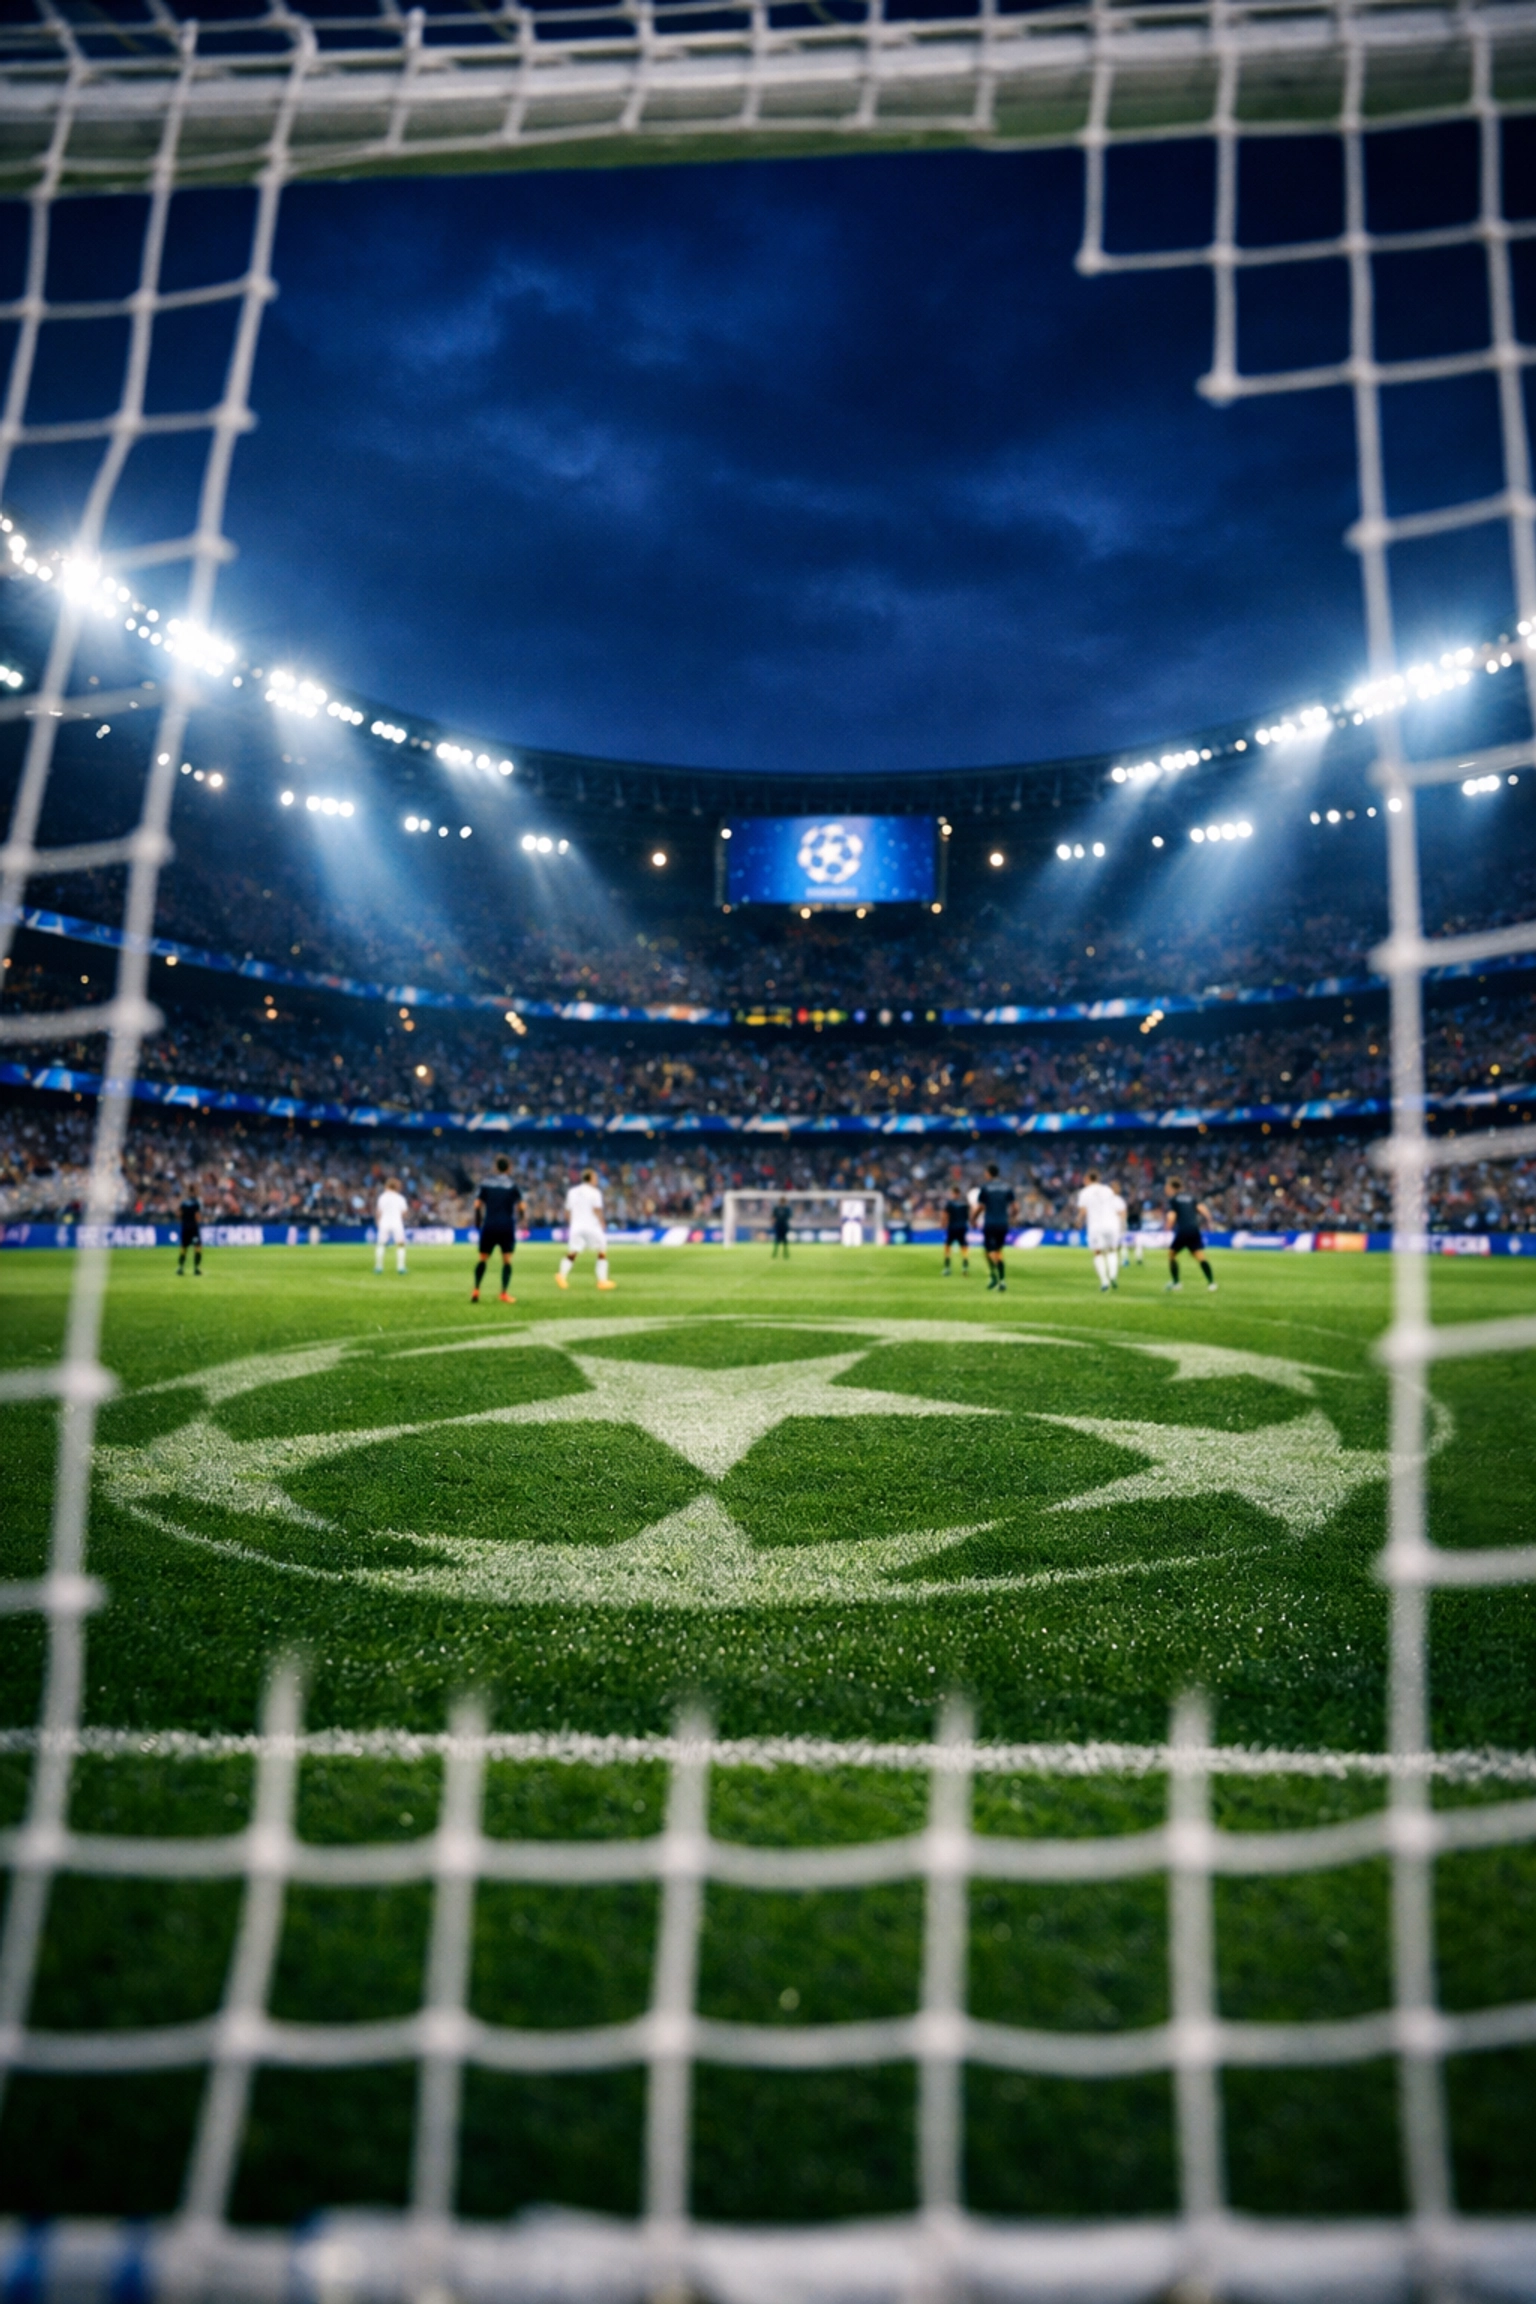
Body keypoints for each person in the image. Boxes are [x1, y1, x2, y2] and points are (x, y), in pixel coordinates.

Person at [472, 1153, 522, 1303]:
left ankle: (476, 1290)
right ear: (509, 1168)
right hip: (506, 1225)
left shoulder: (486, 1183)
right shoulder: (512, 1185)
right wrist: (521, 1219)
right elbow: (522, 1206)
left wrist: (478, 1221)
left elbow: (477, 1205)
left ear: (495, 1168)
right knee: (506, 1260)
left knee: (482, 1259)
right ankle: (504, 1293)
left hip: (490, 1224)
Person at [558, 1167, 615, 1290]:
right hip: (591, 1226)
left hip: (576, 1226)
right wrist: (602, 1221)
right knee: (602, 1250)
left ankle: (561, 1275)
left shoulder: (572, 1191)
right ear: (591, 1179)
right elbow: (596, 1209)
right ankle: (602, 1281)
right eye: (596, 1177)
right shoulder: (595, 1192)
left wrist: (572, 1223)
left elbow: (567, 1211)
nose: (597, 1180)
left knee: (573, 1251)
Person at [1165, 1176, 1217, 1291]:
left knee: (1171, 1255)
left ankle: (1176, 1283)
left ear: (1171, 1187)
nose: (1166, 1189)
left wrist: (1167, 1228)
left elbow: (1171, 1216)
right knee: (1200, 1256)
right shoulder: (1191, 1197)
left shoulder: (1174, 1199)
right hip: (1194, 1229)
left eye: (1167, 1187)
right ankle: (1212, 1283)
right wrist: (1209, 1220)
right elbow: (1202, 1209)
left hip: (1183, 1230)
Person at [1076, 1169, 1122, 1293]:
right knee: (1112, 1250)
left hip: (1096, 1226)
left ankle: (1104, 1282)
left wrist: (1078, 1221)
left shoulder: (1084, 1192)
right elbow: (1116, 1206)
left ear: (1088, 1179)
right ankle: (1113, 1275)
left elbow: (1083, 1211)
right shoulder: (1108, 1190)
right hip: (1112, 1224)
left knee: (1098, 1252)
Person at [972, 1163, 1014, 1293]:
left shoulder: (985, 1188)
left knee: (988, 1251)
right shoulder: (1007, 1187)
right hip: (1003, 1223)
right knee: (999, 1251)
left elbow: (981, 1207)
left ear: (989, 1173)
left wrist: (973, 1219)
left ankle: (994, 1275)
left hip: (990, 1223)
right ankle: (1001, 1280)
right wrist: (1011, 1218)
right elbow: (1015, 1207)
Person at [374, 1175, 408, 1275]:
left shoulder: (382, 1198)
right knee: (400, 1245)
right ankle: (401, 1268)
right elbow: (405, 1212)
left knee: (381, 1245)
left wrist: (378, 1222)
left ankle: (378, 1267)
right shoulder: (400, 1198)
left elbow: (378, 1212)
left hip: (384, 1223)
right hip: (396, 1223)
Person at [942, 1189, 971, 1276]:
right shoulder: (965, 1204)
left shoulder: (950, 1203)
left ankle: (947, 1268)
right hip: (962, 1227)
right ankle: (965, 1267)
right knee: (964, 1246)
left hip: (952, 1227)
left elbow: (945, 1214)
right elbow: (968, 1215)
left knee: (947, 1246)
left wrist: (943, 1224)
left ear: (955, 1193)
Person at [176, 1190, 202, 1277]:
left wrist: (184, 1220)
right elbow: (197, 1216)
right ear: (194, 1193)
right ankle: (196, 1269)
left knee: (184, 1248)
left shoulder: (183, 1203)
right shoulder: (196, 1203)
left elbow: (179, 1214)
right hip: (193, 1228)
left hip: (185, 1228)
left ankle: (180, 1268)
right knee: (197, 1248)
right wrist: (197, 1221)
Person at [1122, 1190, 1145, 1269]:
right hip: (1131, 1228)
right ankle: (1127, 1259)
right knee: (1127, 1245)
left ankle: (1137, 1259)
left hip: (1134, 1228)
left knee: (1135, 1244)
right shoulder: (1135, 1204)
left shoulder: (1132, 1204)